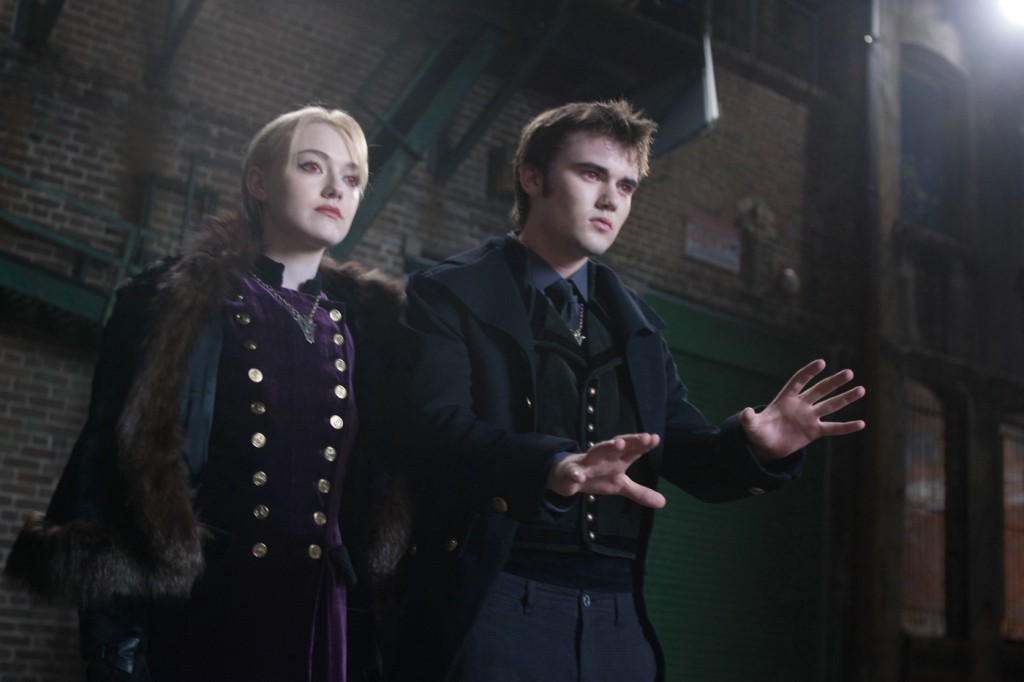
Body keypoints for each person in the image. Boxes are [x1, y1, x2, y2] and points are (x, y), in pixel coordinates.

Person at [391, 99, 866, 682]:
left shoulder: (636, 326)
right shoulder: (449, 294)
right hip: (496, 601)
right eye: (591, 174)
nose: (611, 199)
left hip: (620, 621)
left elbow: (686, 451)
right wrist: (550, 467)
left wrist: (757, 447)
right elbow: (433, 430)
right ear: (532, 177)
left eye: (626, 185)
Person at [4, 105, 406, 681]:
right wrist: (116, 646)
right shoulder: (180, 304)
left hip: (325, 617)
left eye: (352, 178)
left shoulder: (372, 329)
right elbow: (109, 471)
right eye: (311, 166)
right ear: (259, 182)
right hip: (209, 609)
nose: (335, 189)